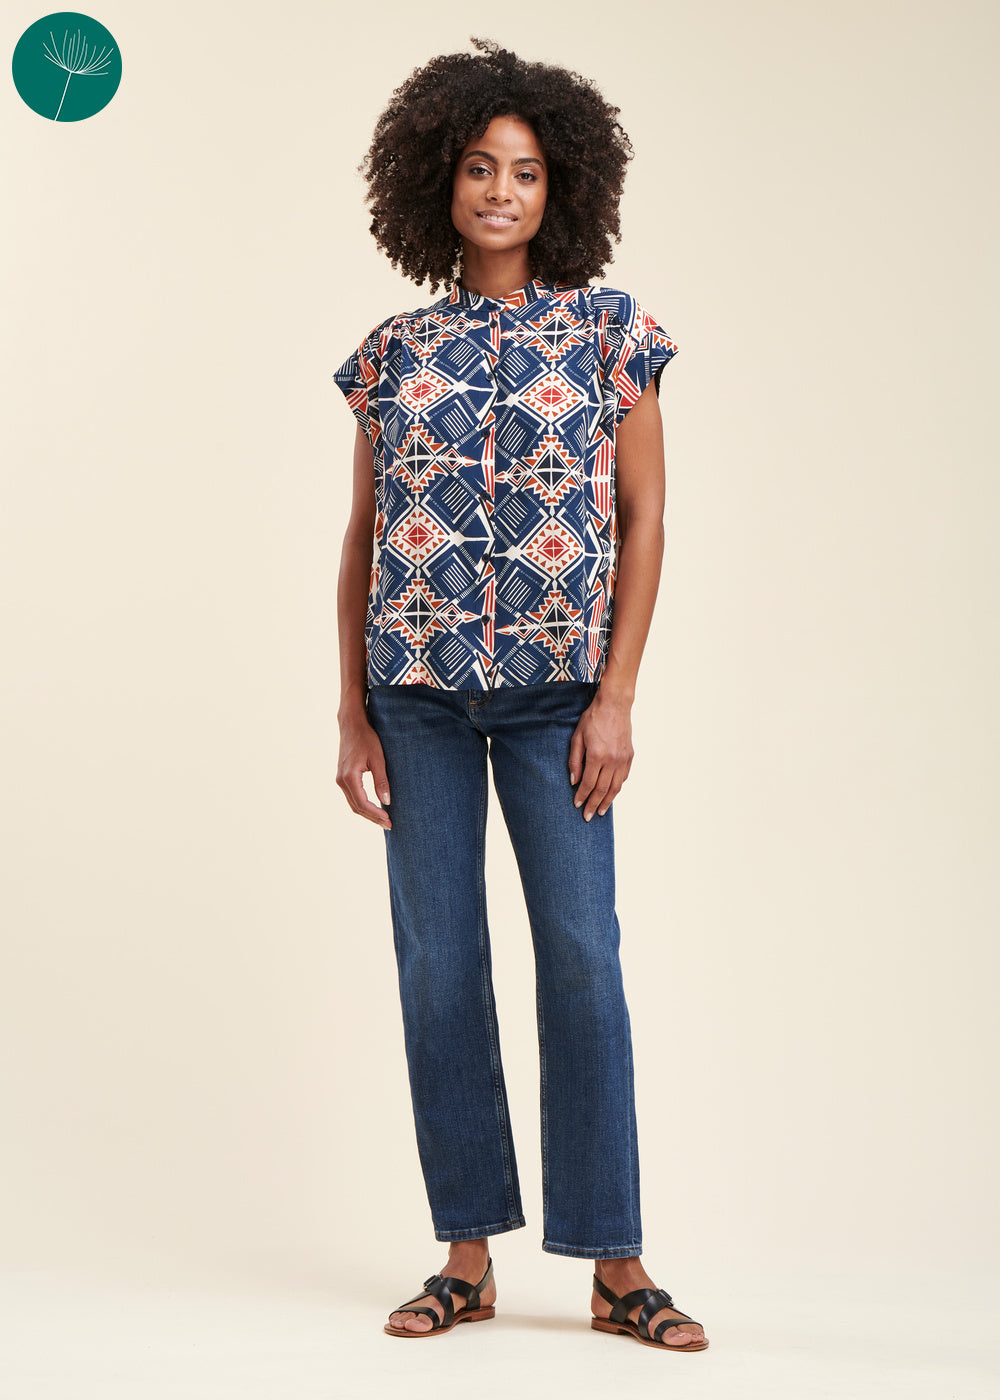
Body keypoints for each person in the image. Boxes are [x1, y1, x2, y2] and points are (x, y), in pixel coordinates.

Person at [332, 37, 709, 1352]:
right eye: (482, 169)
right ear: (439, 181)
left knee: (583, 960)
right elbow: (364, 535)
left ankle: (617, 1264)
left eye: (528, 172)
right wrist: (351, 707)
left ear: (563, 190)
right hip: (417, 695)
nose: (502, 191)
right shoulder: (392, 355)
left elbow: (645, 520)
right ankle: (466, 1255)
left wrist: (617, 698)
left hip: (560, 701)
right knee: (440, 968)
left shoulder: (613, 335)